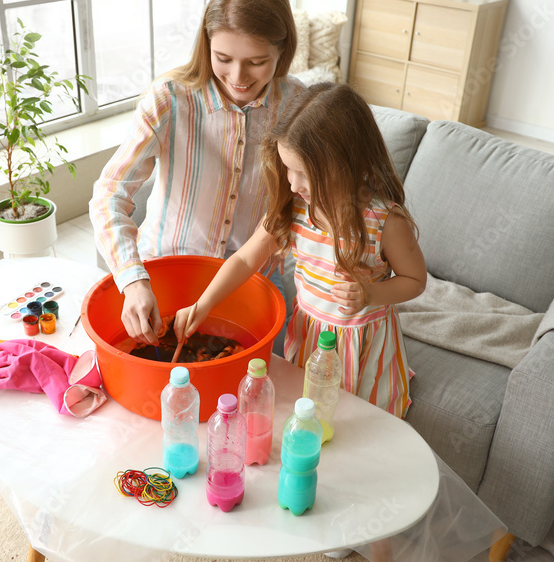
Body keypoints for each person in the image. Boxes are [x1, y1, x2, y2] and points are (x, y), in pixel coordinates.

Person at [173, 83, 427, 418]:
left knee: (356, 424)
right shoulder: (294, 208)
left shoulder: (385, 221)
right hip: (309, 336)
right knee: (308, 415)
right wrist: (203, 303)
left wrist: (370, 293)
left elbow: (415, 280)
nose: (292, 184)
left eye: (304, 173)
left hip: (360, 347)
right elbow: (246, 258)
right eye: (287, 169)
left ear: (348, 164)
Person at [90, 0, 304, 347]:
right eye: (223, 58)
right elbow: (109, 194)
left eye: (257, 62)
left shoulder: (297, 106)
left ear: (282, 53)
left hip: (254, 283)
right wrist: (132, 278)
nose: (237, 77)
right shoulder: (168, 99)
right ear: (206, 45)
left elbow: (303, 202)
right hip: (166, 277)